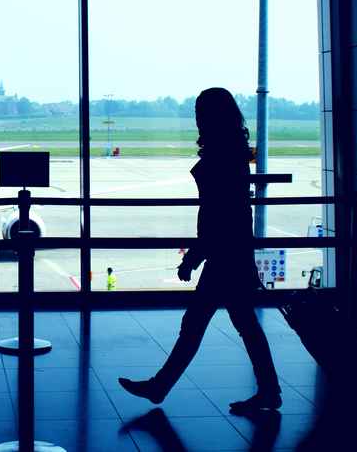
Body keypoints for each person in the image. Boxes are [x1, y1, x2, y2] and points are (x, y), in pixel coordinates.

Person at [119, 87, 282, 414]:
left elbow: (218, 215)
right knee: (240, 324)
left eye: (200, 112)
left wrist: (194, 256)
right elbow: (231, 213)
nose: (196, 118)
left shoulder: (222, 156)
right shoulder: (232, 152)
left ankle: (161, 387)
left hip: (224, 255)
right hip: (231, 252)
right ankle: (268, 391)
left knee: (200, 324)